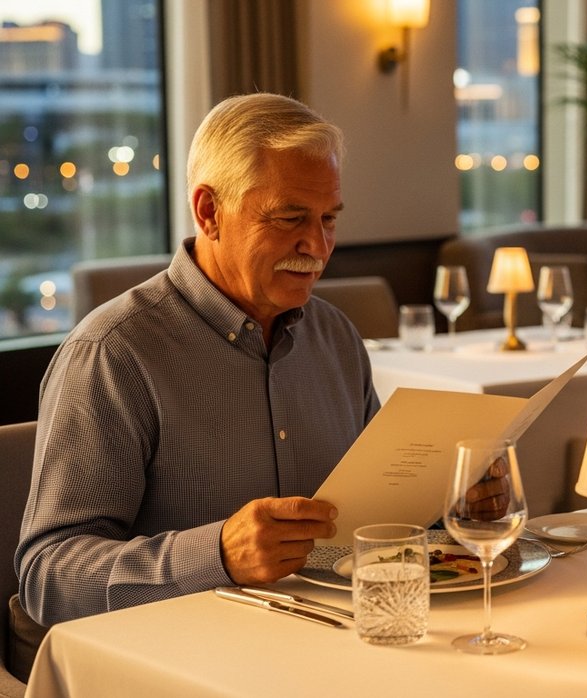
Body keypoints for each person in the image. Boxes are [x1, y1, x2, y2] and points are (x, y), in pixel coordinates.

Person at [17, 93, 379, 626]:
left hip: (329, 639)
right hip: (175, 660)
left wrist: (454, 508)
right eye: (289, 217)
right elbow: (49, 578)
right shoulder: (114, 353)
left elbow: (376, 509)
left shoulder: (336, 336)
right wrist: (218, 556)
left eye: (328, 219)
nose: (317, 245)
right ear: (209, 211)